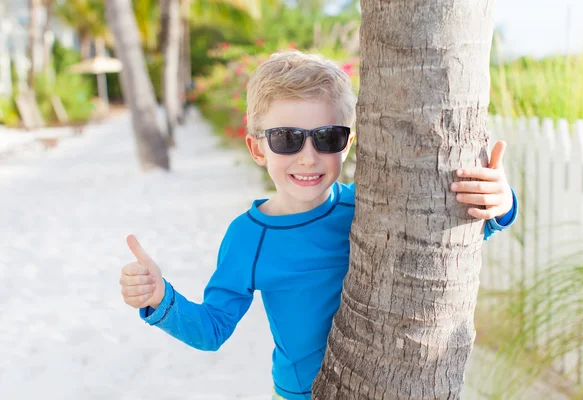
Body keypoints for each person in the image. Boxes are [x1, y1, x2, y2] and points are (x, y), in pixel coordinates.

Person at [119, 51, 518, 400]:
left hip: (389, 383)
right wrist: (160, 298)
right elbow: (213, 329)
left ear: (347, 142)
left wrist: (499, 204)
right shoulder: (248, 238)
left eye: (327, 137)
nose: (308, 157)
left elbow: (439, 242)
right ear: (258, 147)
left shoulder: (369, 204)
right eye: (287, 138)